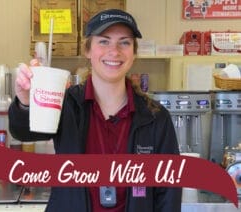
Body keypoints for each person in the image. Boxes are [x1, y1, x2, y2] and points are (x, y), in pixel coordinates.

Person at [9, 9, 182, 212]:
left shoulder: (155, 117)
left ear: (133, 53)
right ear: (88, 50)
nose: (114, 51)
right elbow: (23, 132)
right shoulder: (67, 105)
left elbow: (169, 192)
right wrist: (25, 101)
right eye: (104, 41)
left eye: (124, 42)